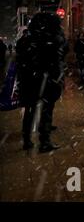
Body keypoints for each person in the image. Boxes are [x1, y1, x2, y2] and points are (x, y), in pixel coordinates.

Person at [16, 12, 68, 152]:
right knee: (46, 109)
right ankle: (44, 140)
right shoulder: (53, 38)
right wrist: (58, 78)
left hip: (30, 79)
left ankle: (27, 139)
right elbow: (59, 58)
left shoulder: (27, 39)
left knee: (30, 109)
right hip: (47, 80)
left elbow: (20, 60)